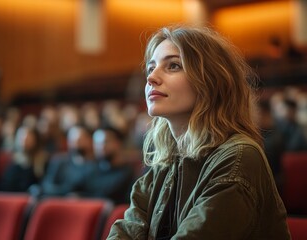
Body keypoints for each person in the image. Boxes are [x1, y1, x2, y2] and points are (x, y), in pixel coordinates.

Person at [107, 26, 291, 239]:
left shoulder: (239, 156)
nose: (151, 78)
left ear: (211, 81)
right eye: (151, 68)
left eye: (173, 65)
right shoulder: (165, 161)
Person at [82, 126, 135, 204]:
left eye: (105, 142)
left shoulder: (128, 173)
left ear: (118, 143)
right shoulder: (90, 169)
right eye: (96, 143)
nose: (100, 147)